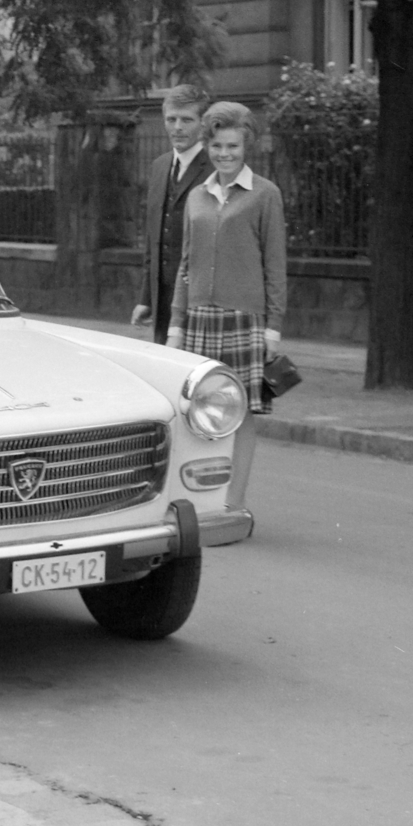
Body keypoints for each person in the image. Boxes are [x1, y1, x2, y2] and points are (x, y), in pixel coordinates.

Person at [167, 101, 286, 520]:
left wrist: (274, 328)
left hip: (244, 321)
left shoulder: (264, 195)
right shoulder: (197, 196)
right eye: (217, 145)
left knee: (240, 414)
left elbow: (275, 264)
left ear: (245, 145)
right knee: (197, 416)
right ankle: (200, 500)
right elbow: (186, 264)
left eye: (232, 145)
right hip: (199, 320)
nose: (224, 154)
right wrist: (176, 325)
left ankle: (233, 502)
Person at [131, 84, 212, 345]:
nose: (177, 127)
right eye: (171, 119)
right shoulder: (159, 166)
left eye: (187, 120)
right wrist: (146, 298)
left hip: (201, 300)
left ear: (203, 124)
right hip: (163, 299)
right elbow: (152, 240)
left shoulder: (215, 169)